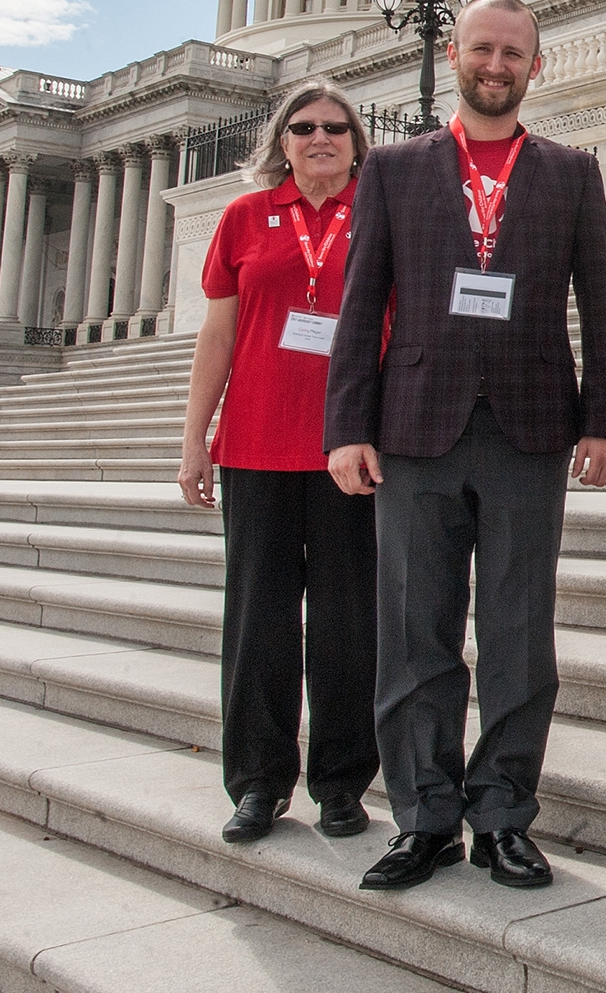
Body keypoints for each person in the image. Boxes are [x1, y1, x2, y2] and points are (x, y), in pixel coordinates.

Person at [323, 0, 606, 893]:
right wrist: (346, 426)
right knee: (415, 633)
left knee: (519, 634)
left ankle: (502, 814)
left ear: (538, 68)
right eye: (483, 49)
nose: (496, 65)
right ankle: (424, 817)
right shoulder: (393, 169)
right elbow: (360, 303)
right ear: (454, 53)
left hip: (531, 429)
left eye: (514, 54)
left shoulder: (571, 172)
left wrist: (604, 420)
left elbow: (598, 307)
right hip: (415, 427)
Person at [179, 82, 381, 847]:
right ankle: (259, 782)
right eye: (304, 127)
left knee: (347, 624)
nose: (320, 137)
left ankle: (340, 783)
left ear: (357, 141)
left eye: (336, 126)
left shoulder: (379, 213)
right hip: (257, 444)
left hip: (348, 449)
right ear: (282, 140)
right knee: (257, 621)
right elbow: (217, 337)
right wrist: (195, 438)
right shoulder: (243, 218)